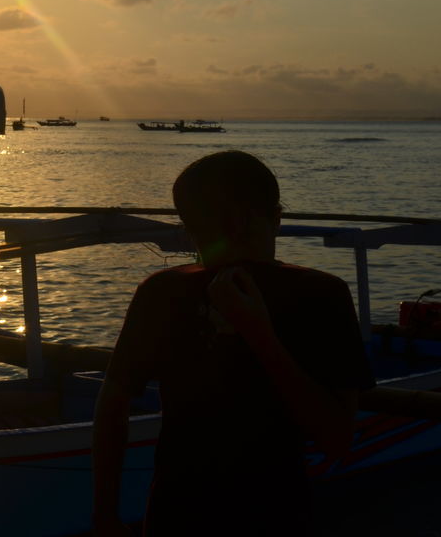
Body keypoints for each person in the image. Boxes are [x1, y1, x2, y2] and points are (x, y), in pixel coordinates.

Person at [92, 151, 374, 535]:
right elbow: (337, 440)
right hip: (276, 516)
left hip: (175, 516)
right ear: (273, 217)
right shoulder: (322, 294)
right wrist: (261, 337)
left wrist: (106, 515)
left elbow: (112, 411)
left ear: (189, 225)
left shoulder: (160, 292)